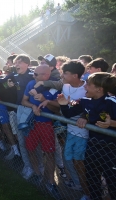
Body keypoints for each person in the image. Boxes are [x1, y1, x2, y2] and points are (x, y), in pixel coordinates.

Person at [58, 72, 116, 200]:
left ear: (99, 89)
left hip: (111, 150)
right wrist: (63, 105)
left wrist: (112, 123)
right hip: (93, 146)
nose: (85, 87)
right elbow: (69, 114)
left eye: (88, 84)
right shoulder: (85, 101)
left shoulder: (112, 102)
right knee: (93, 179)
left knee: (112, 183)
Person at [22, 64, 61, 199]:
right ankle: (38, 174)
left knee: (49, 153)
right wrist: (33, 105)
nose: (33, 75)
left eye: (36, 74)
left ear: (46, 75)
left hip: (47, 125)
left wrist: (46, 101)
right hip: (32, 124)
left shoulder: (55, 86)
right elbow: (24, 101)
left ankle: (51, 182)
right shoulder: (31, 83)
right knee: (31, 149)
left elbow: (58, 109)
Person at [57, 60, 90, 197]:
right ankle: (78, 183)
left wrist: (85, 117)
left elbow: (88, 109)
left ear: (75, 75)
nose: (62, 75)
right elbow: (63, 105)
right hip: (70, 129)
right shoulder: (65, 86)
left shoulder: (88, 89)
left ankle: (88, 190)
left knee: (80, 162)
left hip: (84, 132)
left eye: (65, 73)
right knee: (68, 157)